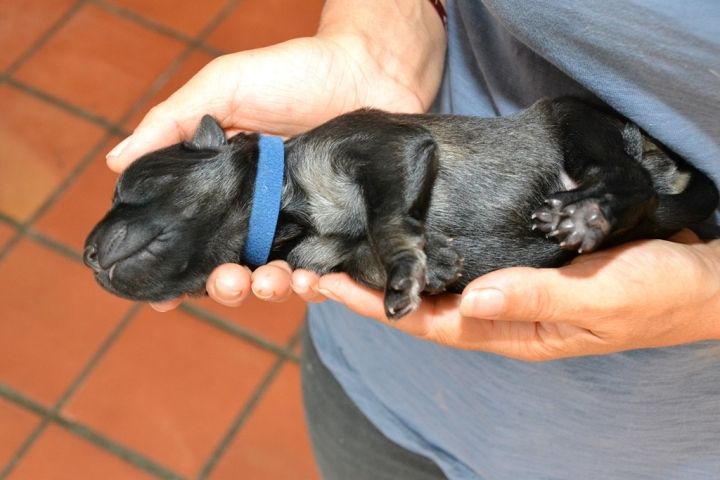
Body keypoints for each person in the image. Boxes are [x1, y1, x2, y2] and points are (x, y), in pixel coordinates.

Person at [107, 0, 720, 478]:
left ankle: (620, 192)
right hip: (386, 395)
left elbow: (404, 151)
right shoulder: (306, 252)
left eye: (138, 189)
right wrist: (381, 33)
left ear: (210, 146)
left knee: (572, 128)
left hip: (652, 446)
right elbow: (362, 259)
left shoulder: (321, 150)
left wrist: (709, 297)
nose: (96, 253)